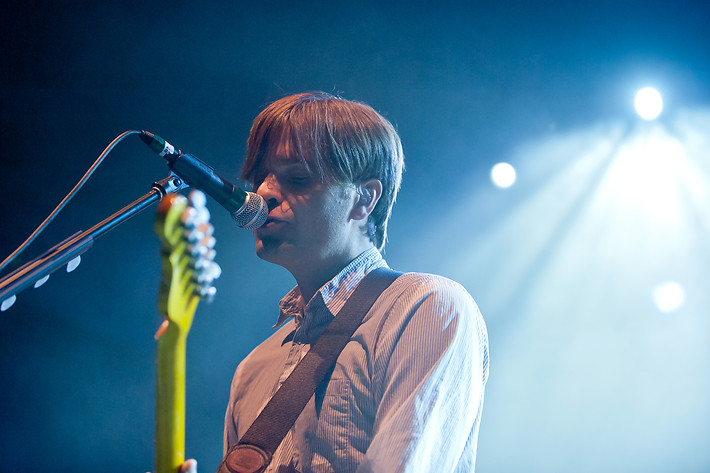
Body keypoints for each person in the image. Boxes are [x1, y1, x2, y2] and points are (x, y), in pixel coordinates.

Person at [221, 92, 489, 473]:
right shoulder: (253, 368)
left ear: (364, 199)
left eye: (296, 178)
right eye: (259, 177)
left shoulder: (424, 307)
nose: (263, 192)